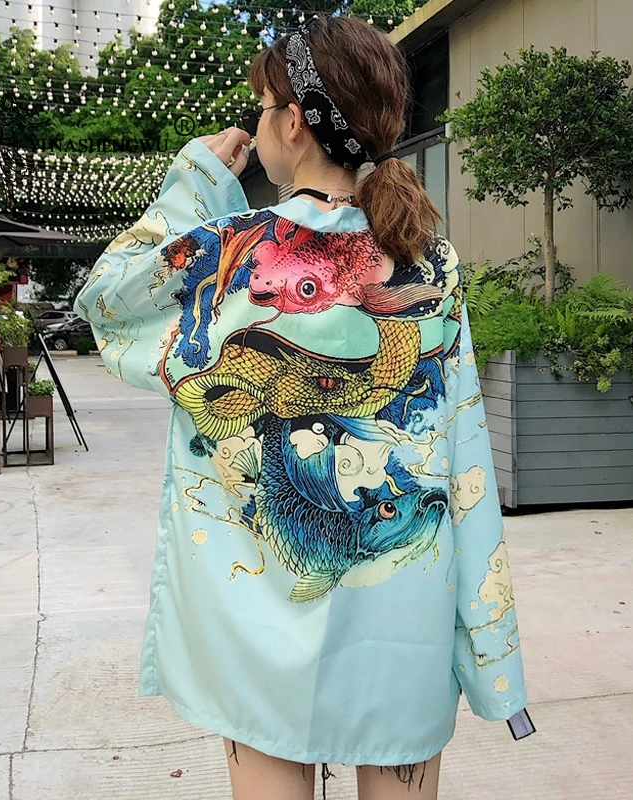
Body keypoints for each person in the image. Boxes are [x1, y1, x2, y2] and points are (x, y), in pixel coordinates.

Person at [73, 14, 530, 800]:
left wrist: (195, 180)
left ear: (292, 123)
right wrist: (488, 636)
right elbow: (464, 448)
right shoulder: (429, 260)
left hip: (254, 615)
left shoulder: (229, 250)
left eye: (261, 108)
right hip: (403, 609)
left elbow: (107, 301)